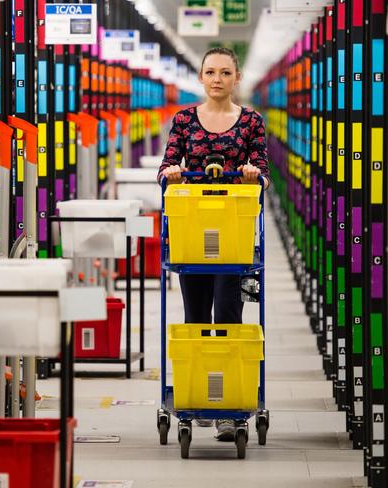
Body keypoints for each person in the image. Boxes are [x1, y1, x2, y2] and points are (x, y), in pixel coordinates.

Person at [157, 47, 270, 441]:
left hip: (233, 238)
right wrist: (171, 172)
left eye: (225, 72)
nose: (217, 78)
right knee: (195, 317)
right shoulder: (184, 120)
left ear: (236, 77)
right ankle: (198, 394)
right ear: (201, 78)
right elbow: (167, 164)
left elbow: (263, 170)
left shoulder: (252, 121)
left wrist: (254, 174)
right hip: (192, 233)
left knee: (228, 316)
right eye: (210, 72)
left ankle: (226, 410)